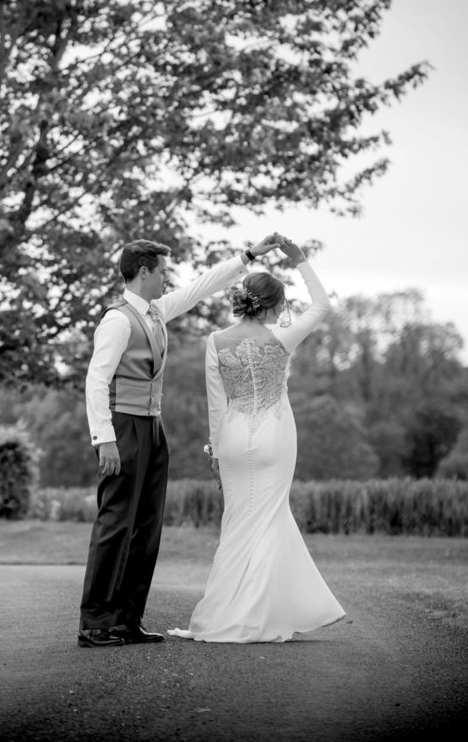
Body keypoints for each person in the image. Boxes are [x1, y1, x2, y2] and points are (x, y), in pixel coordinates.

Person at [78, 234, 282, 648]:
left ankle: (126, 621)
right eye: (161, 273)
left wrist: (248, 257)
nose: (166, 280)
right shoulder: (118, 320)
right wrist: (105, 439)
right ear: (142, 272)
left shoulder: (155, 311)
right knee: (116, 523)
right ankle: (96, 623)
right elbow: (96, 380)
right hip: (123, 427)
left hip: (153, 428)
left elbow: (199, 288)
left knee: (147, 528)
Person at [168, 233, 346, 643]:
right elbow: (321, 305)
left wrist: (214, 450)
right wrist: (300, 260)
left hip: (231, 437)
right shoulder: (282, 337)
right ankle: (254, 615)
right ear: (275, 304)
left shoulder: (214, 341)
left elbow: (216, 403)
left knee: (237, 522)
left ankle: (230, 612)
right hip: (274, 433)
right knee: (268, 517)